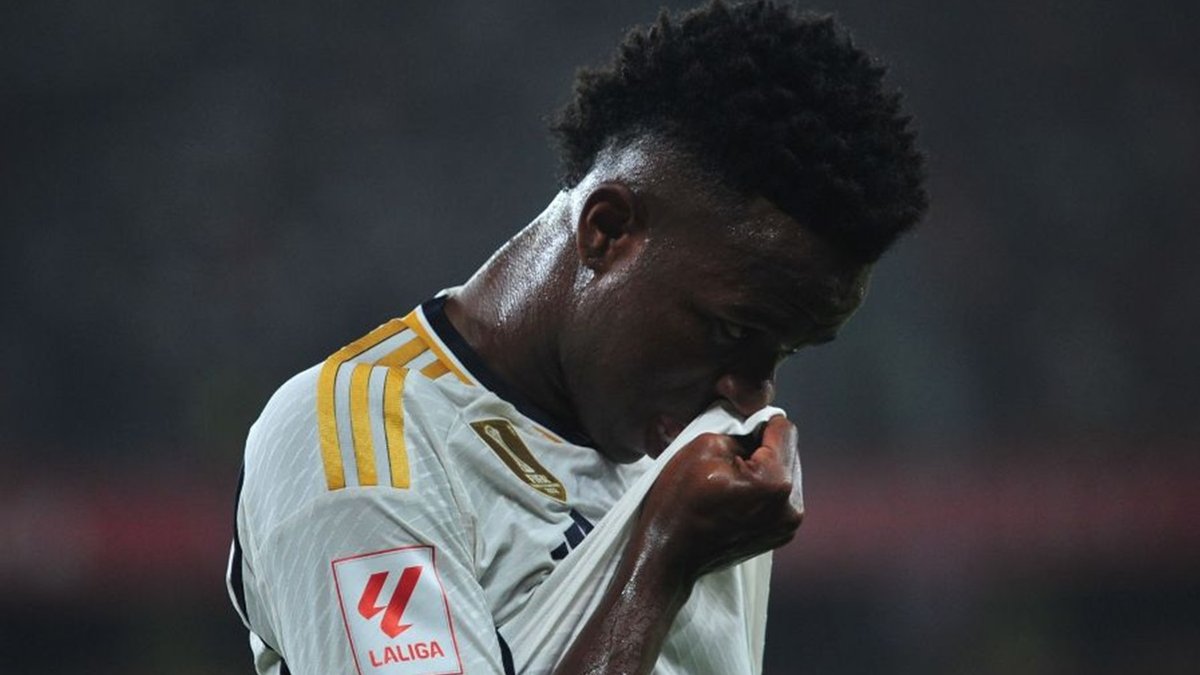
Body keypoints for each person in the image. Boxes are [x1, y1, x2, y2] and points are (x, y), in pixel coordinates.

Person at [226, 1, 927, 673]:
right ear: (608, 230)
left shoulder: (708, 468)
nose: (751, 397)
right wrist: (660, 560)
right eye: (732, 329)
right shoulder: (357, 438)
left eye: (785, 351)